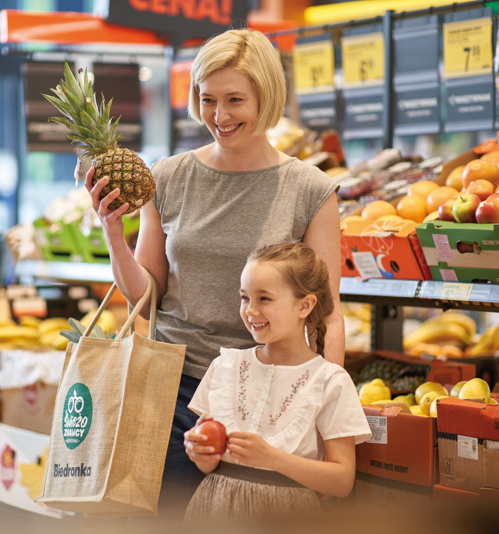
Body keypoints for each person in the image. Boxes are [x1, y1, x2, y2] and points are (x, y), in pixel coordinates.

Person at [85, 27, 345, 513]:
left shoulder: (311, 190)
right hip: (175, 387)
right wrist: (112, 235)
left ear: (265, 97)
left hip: (271, 391)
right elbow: (148, 293)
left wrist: (326, 401)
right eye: (208, 100)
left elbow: (327, 312)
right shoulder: (168, 177)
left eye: (235, 101)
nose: (219, 117)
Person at [182, 242, 371, 522]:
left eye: (264, 299)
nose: (250, 310)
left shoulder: (331, 381)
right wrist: (200, 452)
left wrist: (271, 458)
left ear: (304, 305)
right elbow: (209, 466)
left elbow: (342, 481)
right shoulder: (225, 366)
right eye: (245, 297)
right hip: (213, 512)